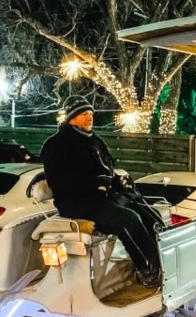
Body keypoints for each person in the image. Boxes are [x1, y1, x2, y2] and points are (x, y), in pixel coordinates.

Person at [41, 98, 165, 287]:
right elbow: (59, 182)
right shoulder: (56, 145)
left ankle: (163, 260)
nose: (89, 117)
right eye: (84, 114)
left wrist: (118, 181)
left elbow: (107, 170)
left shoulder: (96, 141)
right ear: (72, 118)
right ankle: (146, 268)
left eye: (91, 114)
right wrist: (93, 184)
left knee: (151, 215)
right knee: (127, 219)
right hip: (79, 204)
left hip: (106, 197)